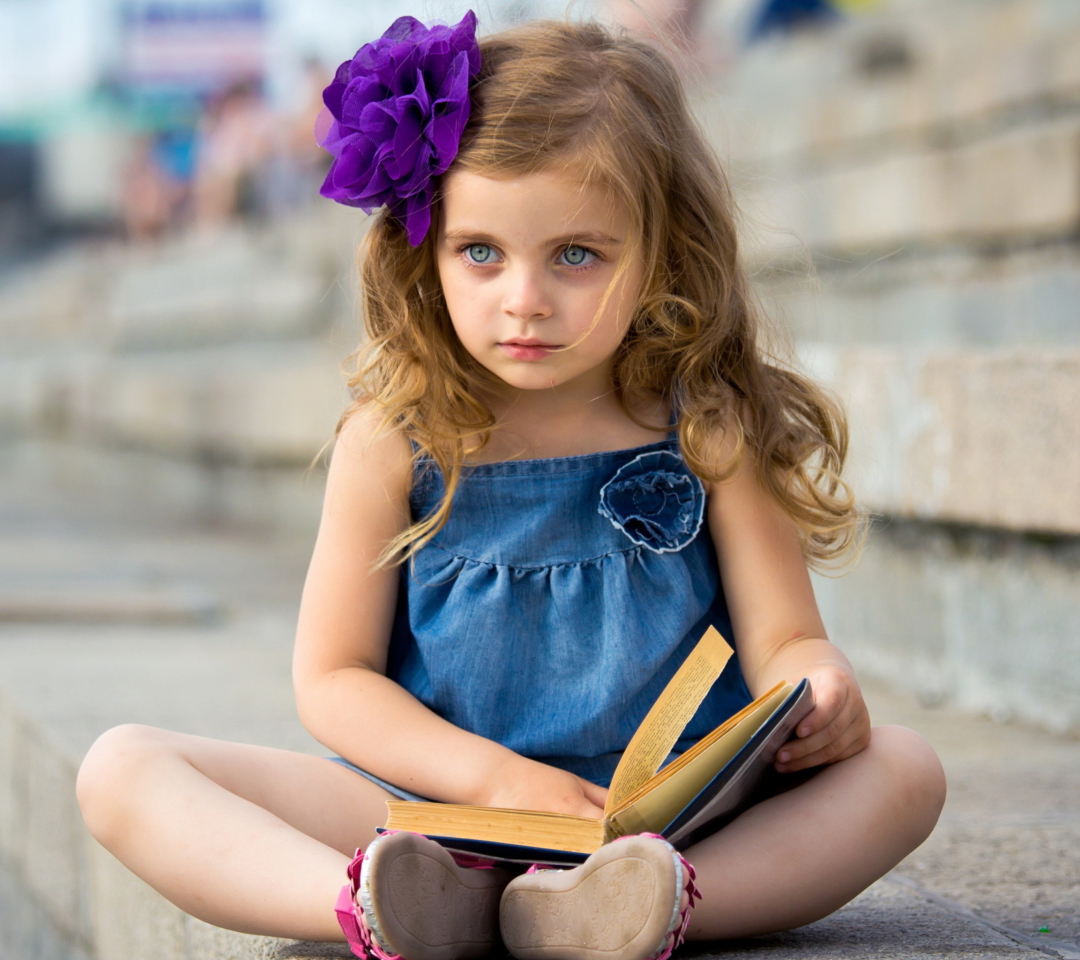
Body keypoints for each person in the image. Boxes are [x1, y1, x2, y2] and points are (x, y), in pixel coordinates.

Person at [76, 12, 945, 960]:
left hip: (656, 822)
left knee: (905, 769)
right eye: (480, 252)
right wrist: (492, 783)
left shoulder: (707, 426)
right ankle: (372, 908)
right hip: (430, 813)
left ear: (659, 251)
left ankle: (646, 905)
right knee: (122, 768)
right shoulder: (394, 442)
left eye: (577, 254)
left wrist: (820, 690)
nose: (524, 298)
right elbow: (334, 680)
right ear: (427, 250)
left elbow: (787, 640)